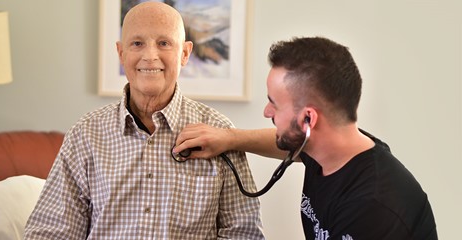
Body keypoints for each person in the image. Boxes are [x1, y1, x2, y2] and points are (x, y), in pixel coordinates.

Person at [24, 2, 264, 239]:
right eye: (137, 43)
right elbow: (51, 233)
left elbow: (244, 234)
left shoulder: (220, 132)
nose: (150, 56)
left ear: (185, 53)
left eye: (164, 43)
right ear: (121, 53)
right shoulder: (86, 134)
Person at [174, 37, 438, 239]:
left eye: (274, 104)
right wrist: (229, 138)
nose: (267, 112)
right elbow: (293, 145)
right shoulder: (333, 145)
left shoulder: (373, 206)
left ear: (309, 120)